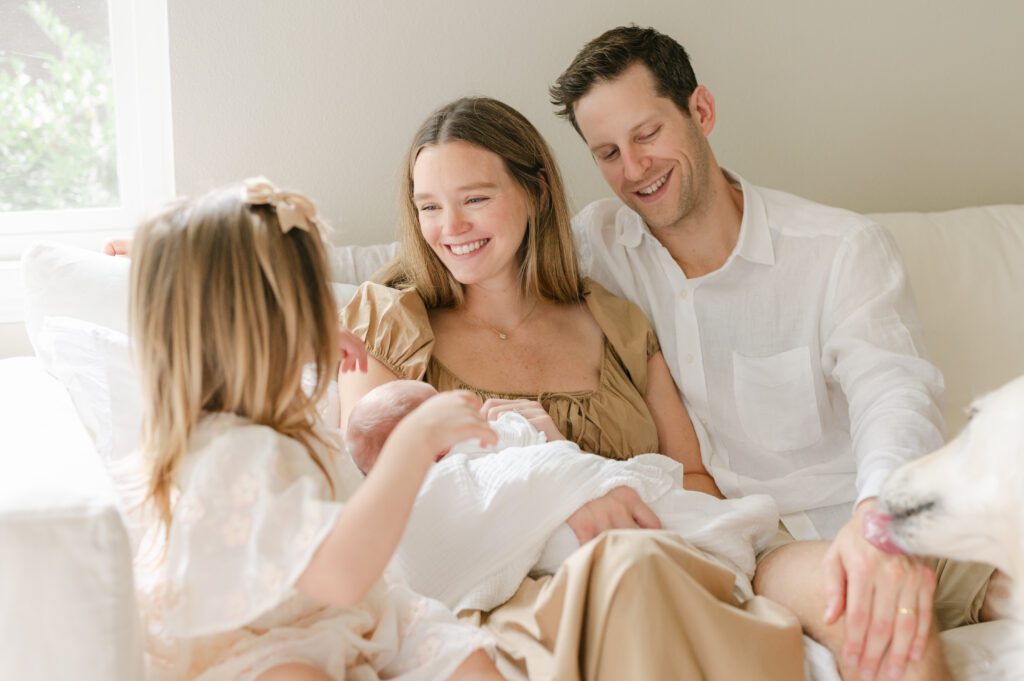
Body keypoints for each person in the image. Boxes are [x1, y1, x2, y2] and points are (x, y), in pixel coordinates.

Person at [549, 25, 1000, 681]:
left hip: (890, 506)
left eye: (646, 135)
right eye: (607, 152)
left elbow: (893, 393)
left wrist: (876, 523)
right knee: (874, 620)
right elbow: (482, 266)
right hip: (778, 541)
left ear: (700, 111)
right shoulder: (598, 246)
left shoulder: (837, 248)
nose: (633, 168)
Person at [338, 97, 806, 680]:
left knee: (643, 572)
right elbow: (371, 504)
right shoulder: (390, 322)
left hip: (654, 554)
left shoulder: (615, 323)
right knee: (631, 576)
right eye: (428, 206)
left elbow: (694, 483)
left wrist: (580, 467)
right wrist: (557, 486)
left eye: (475, 200)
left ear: (535, 192)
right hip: (498, 596)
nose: (449, 228)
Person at [119, 177, 504, 681]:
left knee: (463, 657)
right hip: (259, 643)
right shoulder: (223, 457)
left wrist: (310, 340)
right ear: (260, 332)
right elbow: (341, 574)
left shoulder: (281, 426)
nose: (331, 315)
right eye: (312, 303)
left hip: (349, 620)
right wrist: (414, 441)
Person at [345, 379, 779, 599]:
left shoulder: (615, 316)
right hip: (558, 567)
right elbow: (422, 556)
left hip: (610, 515)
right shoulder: (436, 485)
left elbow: (547, 455)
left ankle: (713, 546)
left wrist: (559, 452)